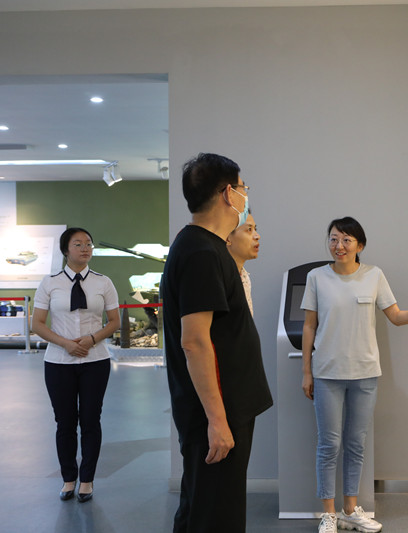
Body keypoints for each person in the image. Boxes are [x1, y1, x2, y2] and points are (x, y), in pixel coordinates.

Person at [301, 216, 408, 533]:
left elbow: (396, 316)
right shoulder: (316, 278)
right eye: (333, 239)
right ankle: (328, 514)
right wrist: (306, 371)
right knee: (329, 445)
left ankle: (350, 510)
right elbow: (309, 326)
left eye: (346, 240)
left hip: (365, 374)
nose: (338, 245)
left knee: (356, 444)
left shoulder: (374, 275)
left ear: (360, 245)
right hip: (326, 373)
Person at [160, 153, 272, 533]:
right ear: (228, 194)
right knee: (216, 516)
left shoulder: (206, 247)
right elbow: (194, 342)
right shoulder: (201, 253)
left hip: (226, 407)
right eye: (243, 188)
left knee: (202, 508)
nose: (245, 195)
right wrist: (217, 421)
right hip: (217, 413)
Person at [31, 227, 121, 503]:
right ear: (65, 250)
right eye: (78, 244)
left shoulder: (103, 282)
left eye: (89, 244)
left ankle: (87, 480)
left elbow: (115, 322)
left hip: (95, 361)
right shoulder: (50, 283)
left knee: (91, 420)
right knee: (65, 422)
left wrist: (92, 339)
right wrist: (66, 344)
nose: (85, 248)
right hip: (59, 362)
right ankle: (68, 479)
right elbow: (37, 324)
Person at [226, 212, 260, 316]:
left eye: (255, 229)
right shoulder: (218, 278)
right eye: (249, 229)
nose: (257, 236)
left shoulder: (244, 277)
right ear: (228, 238)